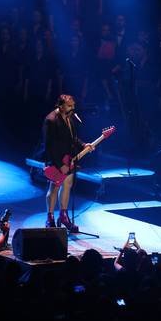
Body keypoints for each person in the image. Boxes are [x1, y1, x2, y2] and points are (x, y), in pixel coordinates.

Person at [43, 94, 94, 231]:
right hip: (56, 160)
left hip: (68, 158)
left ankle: (64, 216)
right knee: (54, 187)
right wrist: (60, 165)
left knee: (67, 185)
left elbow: (73, 138)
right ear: (60, 106)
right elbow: (49, 145)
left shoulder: (70, 118)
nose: (73, 108)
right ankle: (50, 218)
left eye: (73, 105)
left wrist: (84, 145)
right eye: (70, 106)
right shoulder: (51, 120)